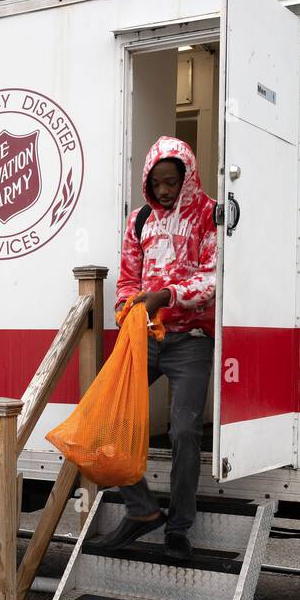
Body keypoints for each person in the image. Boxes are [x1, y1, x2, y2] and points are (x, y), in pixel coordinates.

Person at [93, 136, 217, 560]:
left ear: (187, 177)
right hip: (144, 337)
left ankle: (179, 528)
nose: (164, 190)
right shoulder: (139, 220)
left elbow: (213, 279)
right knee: (108, 416)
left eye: (171, 181)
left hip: (191, 342)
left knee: (184, 432)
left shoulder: (208, 214)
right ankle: (143, 509)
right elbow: (128, 280)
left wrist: (166, 296)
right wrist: (127, 308)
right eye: (157, 182)